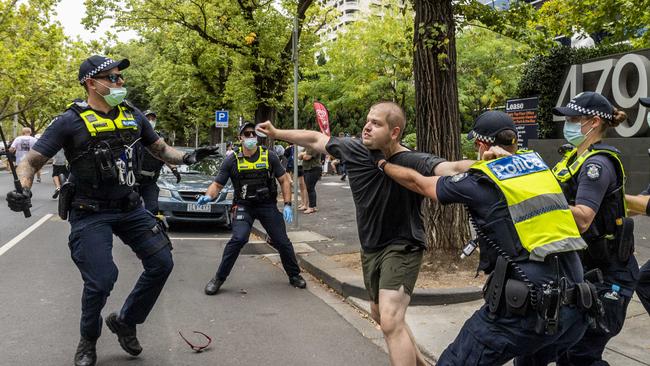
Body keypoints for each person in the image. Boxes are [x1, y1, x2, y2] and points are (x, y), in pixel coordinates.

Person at [5, 55, 216, 366]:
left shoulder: (133, 115)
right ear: (92, 83)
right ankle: (88, 340)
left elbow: (159, 149)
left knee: (161, 263)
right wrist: (23, 188)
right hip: (89, 210)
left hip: (129, 206)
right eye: (114, 78)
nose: (121, 83)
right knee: (102, 279)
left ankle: (125, 321)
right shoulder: (69, 122)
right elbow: (30, 162)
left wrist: (188, 157)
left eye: (120, 77)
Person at [256, 101, 475, 366]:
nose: (367, 127)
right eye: (368, 121)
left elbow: (451, 168)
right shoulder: (353, 150)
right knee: (381, 316)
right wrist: (277, 133)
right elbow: (315, 138)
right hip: (371, 247)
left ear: (394, 132)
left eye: (376, 123)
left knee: (392, 318)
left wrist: (497, 163)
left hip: (403, 244)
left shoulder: (412, 159)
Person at [378, 110, 590, 365]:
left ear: (480, 145)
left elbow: (421, 184)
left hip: (526, 312)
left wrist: (383, 164)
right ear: (515, 142)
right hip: (575, 309)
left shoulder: (481, 180)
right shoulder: (540, 169)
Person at [551, 92, 639, 365]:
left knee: (581, 356)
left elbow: (583, 218)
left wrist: (539, 206)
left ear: (593, 122)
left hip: (609, 276)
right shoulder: (572, 159)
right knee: (565, 351)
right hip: (586, 271)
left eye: (575, 118)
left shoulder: (596, 165)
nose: (569, 123)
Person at [200, 122, 306, 296]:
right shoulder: (232, 159)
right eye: (247, 134)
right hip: (244, 206)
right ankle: (218, 278)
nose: (251, 137)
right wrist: (208, 196)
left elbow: (284, 180)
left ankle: (294, 275)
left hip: (267, 205)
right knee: (238, 239)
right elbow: (217, 184)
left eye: (253, 134)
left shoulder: (269, 156)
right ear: (240, 138)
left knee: (282, 240)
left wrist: (287, 204)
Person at [136, 109, 181, 214]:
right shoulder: (134, 135)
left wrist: (174, 169)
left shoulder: (158, 138)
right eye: (148, 118)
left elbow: (165, 154)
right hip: (133, 180)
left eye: (153, 119)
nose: (151, 121)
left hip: (150, 181)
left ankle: (150, 228)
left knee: (153, 208)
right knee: (131, 208)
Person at [300, 145, 322, 214]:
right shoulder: (307, 147)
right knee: (310, 188)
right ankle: (313, 206)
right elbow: (299, 156)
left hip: (313, 169)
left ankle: (311, 207)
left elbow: (307, 157)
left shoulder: (314, 147)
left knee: (310, 188)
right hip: (307, 169)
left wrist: (303, 154)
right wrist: (304, 154)